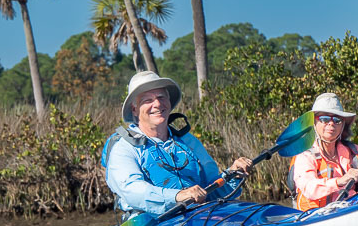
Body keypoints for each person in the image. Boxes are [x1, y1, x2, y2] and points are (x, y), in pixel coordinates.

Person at [103, 72, 253, 216]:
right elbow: (133, 191)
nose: (157, 104)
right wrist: (178, 196)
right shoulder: (123, 148)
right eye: (147, 100)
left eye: (161, 97)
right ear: (134, 109)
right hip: (151, 225)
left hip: (197, 217)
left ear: (168, 102)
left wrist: (233, 174)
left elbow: (214, 191)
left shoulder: (188, 141)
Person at [290, 93, 358, 211]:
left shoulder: (353, 151)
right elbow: (309, 188)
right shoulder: (305, 155)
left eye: (337, 120)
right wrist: (340, 181)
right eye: (324, 119)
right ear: (315, 123)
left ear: (342, 126)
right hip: (315, 216)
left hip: (353, 209)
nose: (331, 123)